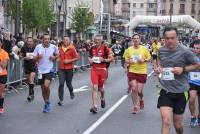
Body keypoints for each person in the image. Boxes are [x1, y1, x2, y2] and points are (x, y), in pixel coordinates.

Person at [156, 27, 200, 134]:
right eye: (167, 38)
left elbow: (197, 65)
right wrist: (159, 68)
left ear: (177, 38)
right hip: (165, 89)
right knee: (166, 121)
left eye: (172, 38)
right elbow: (160, 62)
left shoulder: (185, 51)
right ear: (164, 39)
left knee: (178, 125)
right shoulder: (161, 50)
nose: (169, 40)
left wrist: (183, 69)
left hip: (181, 91)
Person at [123, 33, 151, 114]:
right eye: (134, 38)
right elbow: (126, 59)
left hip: (142, 71)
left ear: (140, 40)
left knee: (139, 91)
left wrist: (144, 60)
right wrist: (129, 61)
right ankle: (135, 106)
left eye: (137, 38)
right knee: (134, 89)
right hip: (132, 71)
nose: (136, 40)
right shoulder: (129, 49)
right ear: (132, 40)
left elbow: (149, 59)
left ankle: (141, 99)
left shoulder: (144, 49)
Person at [33, 33, 58, 113]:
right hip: (40, 70)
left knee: (46, 86)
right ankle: (46, 103)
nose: (47, 40)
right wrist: (37, 57)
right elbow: (33, 58)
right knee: (43, 89)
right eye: (45, 39)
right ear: (42, 40)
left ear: (50, 40)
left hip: (49, 69)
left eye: (48, 39)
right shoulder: (38, 47)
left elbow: (58, 55)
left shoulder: (53, 47)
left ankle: (48, 101)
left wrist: (54, 57)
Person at [88, 35, 113, 114]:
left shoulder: (106, 48)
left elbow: (111, 59)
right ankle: (95, 106)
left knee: (101, 89)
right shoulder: (92, 48)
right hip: (94, 70)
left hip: (102, 70)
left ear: (101, 40)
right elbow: (89, 57)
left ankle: (102, 98)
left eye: (98, 40)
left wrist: (104, 59)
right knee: (95, 87)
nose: (96, 41)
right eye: (95, 40)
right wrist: (90, 60)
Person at [57, 36, 78, 106]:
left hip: (69, 69)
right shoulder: (59, 48)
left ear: (69, 41)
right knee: (61, 83)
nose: (66, 41)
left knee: (68, 84)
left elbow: (77, 57)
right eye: (64, 40)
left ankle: (71, 91)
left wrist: (69, 60)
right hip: (61, 69)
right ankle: (60, 100)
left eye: (67, 40)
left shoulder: (72, 48)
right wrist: (57, 58)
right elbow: (56, 55)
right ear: (63, 41)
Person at [188, 39, 200, 127]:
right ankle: (193, 116)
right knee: (192, 99)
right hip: (192, 81)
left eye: (198, 48)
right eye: (195, 48)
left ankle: (199, 117)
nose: (197, 50)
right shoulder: (189, 56)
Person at [20, 37, 36, 102]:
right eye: (28, 41)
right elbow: (20, 56)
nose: (29, 42)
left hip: (34, 66)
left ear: (33, 42)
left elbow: (39, 56)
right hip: (26, 66)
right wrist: (24, 57)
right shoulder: (24, 48)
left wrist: (35, 58)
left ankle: (30, 94)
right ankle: (32, 92)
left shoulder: (35, 48)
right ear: (26, 42)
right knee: (28, 81)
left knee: (31, 79)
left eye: (31, 41)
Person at [0, 38, 9, 113]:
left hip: (2, 75)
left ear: (1, 44)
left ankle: (1, 107)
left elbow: (4, 66)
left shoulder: (4, 53)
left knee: (1, 92)